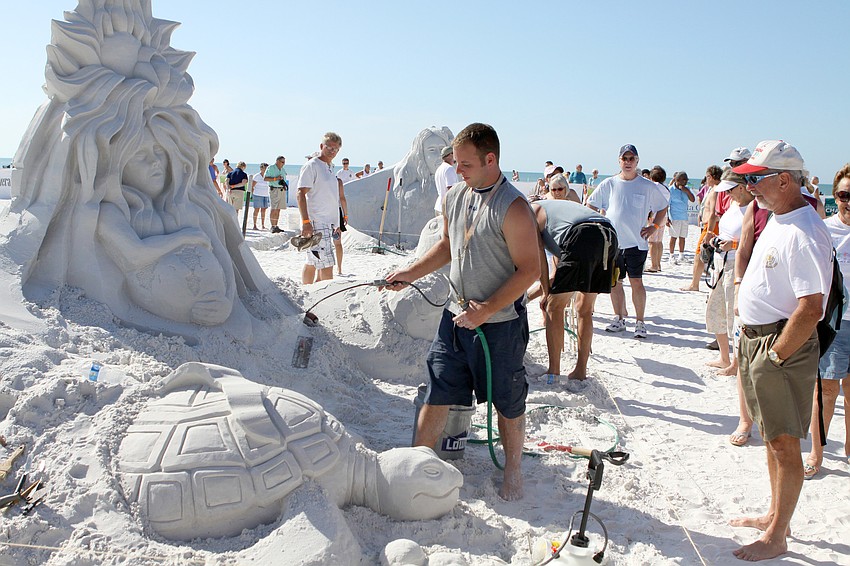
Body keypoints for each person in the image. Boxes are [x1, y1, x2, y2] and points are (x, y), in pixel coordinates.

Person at [383, 123, 539, 501]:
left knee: (508, 399)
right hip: (454, 319)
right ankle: (415, 466)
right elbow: (448, 246)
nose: (458, 170)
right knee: (437, 391)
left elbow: (530, 270)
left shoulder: (514, 207)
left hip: (499, 326)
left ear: (491, 159)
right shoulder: (456, 196)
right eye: (456, 164)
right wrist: (410, 272)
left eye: (466, 164)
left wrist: (486, 310)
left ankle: (513, 469)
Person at [729, 140, 832, 562]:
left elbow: (812, 307)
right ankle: (776, 517)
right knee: (774, 440)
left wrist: (776, 356)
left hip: (778, 345)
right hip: (760, 341)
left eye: (757, 178)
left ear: (784, 180)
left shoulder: (805, 230)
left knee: (786, 445)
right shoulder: (779, 217)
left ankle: (778, 537)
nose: (749, 185)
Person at [528, 199, 617, 382]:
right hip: (609, 235)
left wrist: (544, 294)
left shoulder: (532, 212)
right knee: (585, 309)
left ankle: (553, 372)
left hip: (582, 235)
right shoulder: (558, 219)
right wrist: (536, 293)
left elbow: (540, 265)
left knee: (554, 307)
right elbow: (556, 277)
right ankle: (580, 371)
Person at [587, 144, 668, 339]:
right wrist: (600, 225)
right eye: (625, 158)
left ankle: (640, 322)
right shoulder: (609, 183)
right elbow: (591, 205)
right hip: (614, 244)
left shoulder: (647, 186)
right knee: (615, 283)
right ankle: (619, 318)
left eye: (632, 159)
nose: (628, 162)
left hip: (637, 243)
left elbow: (663, 207)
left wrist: (654, 227)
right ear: (619, 161)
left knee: (637, 282)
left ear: (637, 161)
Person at [803, 164, 850, 479]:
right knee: (827, 390)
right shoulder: (825, 229)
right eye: (845, 194)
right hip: (837, 321)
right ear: (836, 196)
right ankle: (817, 453)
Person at [704, 170, 752, 376]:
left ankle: (735, 362)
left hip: (736, 265)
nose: (728, 195)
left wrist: (733, 244)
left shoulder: (754, 208)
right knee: (716, 310)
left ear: (741, 188)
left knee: (735, 315)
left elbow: (758, 242)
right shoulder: (734, 205)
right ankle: (725, 357)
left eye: (730, 190)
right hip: (720, 263)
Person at [297, 133, 343, 284]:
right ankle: (326, 301)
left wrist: (336, 224)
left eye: (335, 149)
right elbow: (300, 193)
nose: (332, 151)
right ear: (321, 146)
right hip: (317, 222)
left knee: (312, 261)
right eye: (329, 147)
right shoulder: (312, 166)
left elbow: (331, 197)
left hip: (327, 223)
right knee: (327, 264)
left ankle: (307, 294)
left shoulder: (329, 168)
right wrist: (305, 222)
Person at [682, 165, 724, 291]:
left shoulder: (716, 190)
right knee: (702, 254)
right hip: (708, 225)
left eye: (707, 177)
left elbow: (713, 213)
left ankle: (694, 284)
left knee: (700, 254)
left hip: (711, 226)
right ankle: (695, 283)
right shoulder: (713, 189)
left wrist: (709, 231)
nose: (706, 180)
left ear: (710, 177)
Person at [645, 166, 669, 273]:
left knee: (652, 242)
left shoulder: (652, 186)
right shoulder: (666, 188)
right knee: (659, 241)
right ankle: (658, 264)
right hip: (664, 216)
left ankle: (654, 265)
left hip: (654, 215)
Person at [668, 171, 695, 264]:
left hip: (684, 216)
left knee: (683, 236)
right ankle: (671, 255)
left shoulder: (686, 188)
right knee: (673, 237)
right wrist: (667, 218)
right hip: (674, 217)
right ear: (678, 180)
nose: (686, 182)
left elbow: (692, 199)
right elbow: (667, 205)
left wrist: (686, 191)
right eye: (684, 180)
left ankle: (681, 255)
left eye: (686, 180)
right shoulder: (671, 190)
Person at [265, 156, 288, 233]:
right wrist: (276, 179)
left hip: (281, 189)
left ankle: (276, 225)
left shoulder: (282, 169)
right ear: (277, 161)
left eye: (284, 162)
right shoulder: (271, 168)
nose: (283, 164)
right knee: (274, 208)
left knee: (278, 209)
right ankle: (272, 226)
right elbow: (265, 178)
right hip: (274, 189)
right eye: (282, 162)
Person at [433, 146, 458, 215]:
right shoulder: (449, 169)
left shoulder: (439, 169)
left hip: (439, 206)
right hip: (447, 208)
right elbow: (451, 190)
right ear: (450, 155)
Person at [335, 177, 349, 276]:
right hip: (336, 212)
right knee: (338, 243)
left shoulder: (321, 179)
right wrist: (346, 215)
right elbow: (342, 198)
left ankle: (322, 268)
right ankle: (339, 268)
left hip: (323, 211)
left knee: (322, 241)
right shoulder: (338, 181)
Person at [251, 163, 271, 230]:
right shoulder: (257, 176)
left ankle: (263, 225)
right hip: (257, 195)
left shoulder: (268, 176)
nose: (266, 170)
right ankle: (254, 225)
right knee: (256, 210)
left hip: (265, 195)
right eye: (265, 168)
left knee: (264, 210)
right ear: (261, 168)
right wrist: (252, 195)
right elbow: (252, 186)